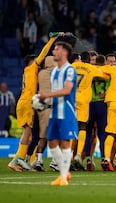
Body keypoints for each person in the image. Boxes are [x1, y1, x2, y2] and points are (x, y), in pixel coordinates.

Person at [7, 33, 60, 172]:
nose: (39, 61)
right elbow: (43, 53)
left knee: (28, 132)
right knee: (27, 132)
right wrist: (53, 39)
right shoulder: (31, 68)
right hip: (26, 103)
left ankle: (21, 161)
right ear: (32, 62)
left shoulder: (29, 73)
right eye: (36, 60)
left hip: (24, 102)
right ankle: (17, 159)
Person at [39, 41, 78, 186]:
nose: (54, 51)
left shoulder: (69, 70)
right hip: (54, 111)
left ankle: (63, 177)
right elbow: (55, 92)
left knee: (65, 142)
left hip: (66, 110)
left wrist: (46, 95)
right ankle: (64, 173)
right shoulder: (55, 71)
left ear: (65, 53)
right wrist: (44, 101)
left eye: (57, 49)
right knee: (52, 142)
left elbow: (67, 90)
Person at [71, 51, 109, 171]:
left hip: (75, 100)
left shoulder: (72, 66)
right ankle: (103, 158)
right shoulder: (92, 69)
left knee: (78, 130)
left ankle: (84, 158)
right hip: (93, 103)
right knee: (99, 133)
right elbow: (106, 76)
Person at [33, 56, 57, 171]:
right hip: (54, 106)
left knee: (42, 136)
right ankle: (55, 161)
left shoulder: (41, 74)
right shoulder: (57, 73)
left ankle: (39, 160)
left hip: (42, 107)